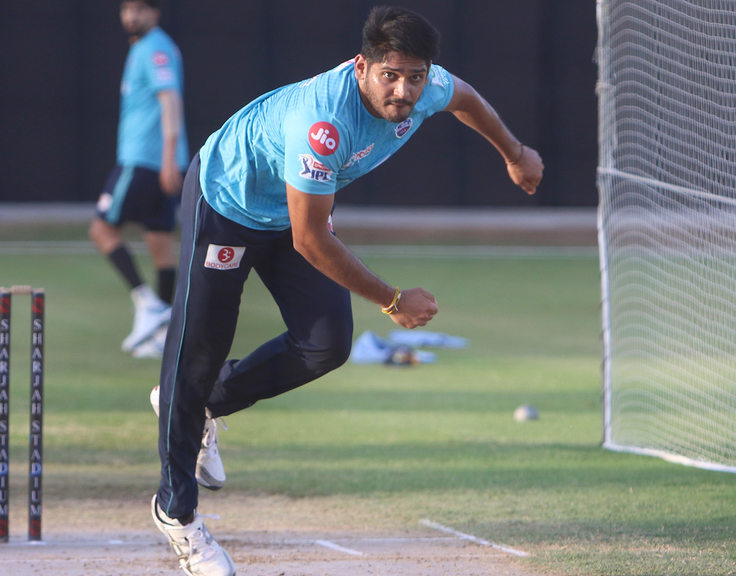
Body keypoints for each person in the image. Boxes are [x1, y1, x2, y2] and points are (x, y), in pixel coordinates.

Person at [149, 6, 544, 575]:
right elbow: (312, 239)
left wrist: (514, 152)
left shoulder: (427, 87)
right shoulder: (324, 123)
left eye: (414, 76)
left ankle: (200, 404)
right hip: (226, 201)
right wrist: (391, 299)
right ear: (363, 67)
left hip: (287, 217)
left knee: (326, 343)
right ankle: (176, 512)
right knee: (197, 353)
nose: (403, 90)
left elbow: (467, 99)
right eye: (391, 76)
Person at [89, 0, 189, 360]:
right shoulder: (146, 48)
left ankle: (147, 303)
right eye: (126, 9)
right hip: (158, 161)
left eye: (140, 9)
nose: (131, 16)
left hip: (144, 160)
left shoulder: (155, 48)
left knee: (101, 230)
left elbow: (170, 101)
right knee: (160, 241)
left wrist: (167, 158)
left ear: (155, 13)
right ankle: (163, 334)